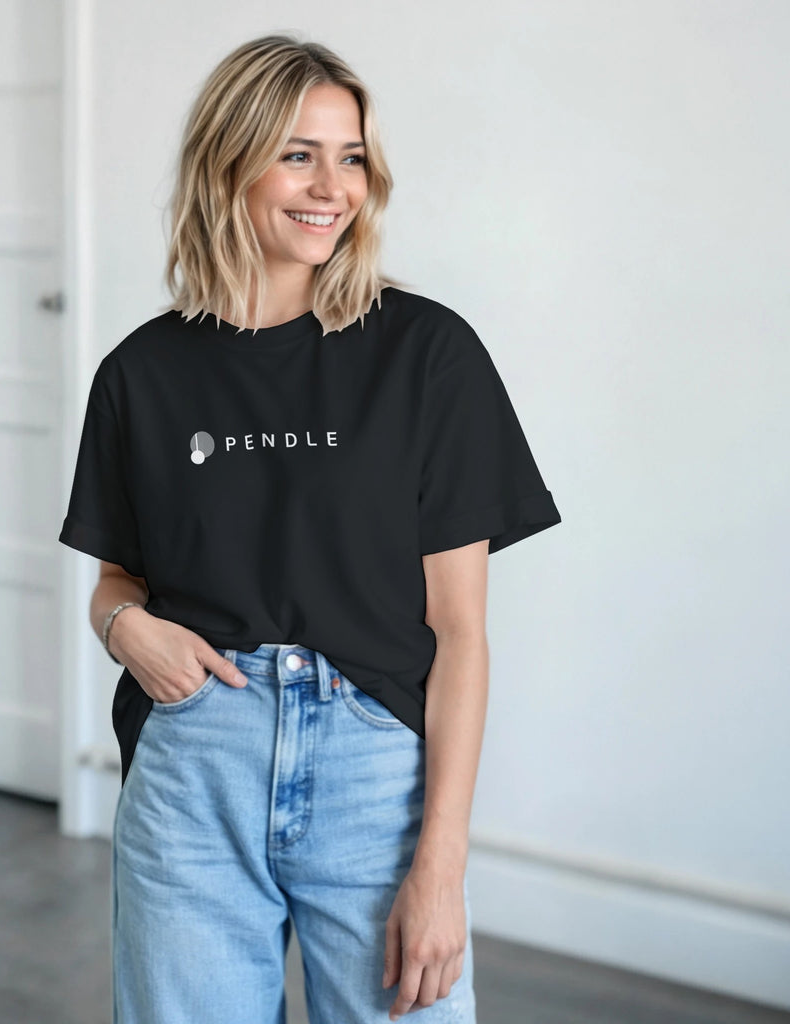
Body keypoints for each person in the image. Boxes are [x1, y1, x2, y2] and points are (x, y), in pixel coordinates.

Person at [59, 33, 561, 1024]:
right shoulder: (139, 374)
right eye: (298, 153)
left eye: (352, 156)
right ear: (227, 160)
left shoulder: (428, 356)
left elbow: (457, 631)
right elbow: (117, 580)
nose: (332, 185)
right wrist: (122, 627)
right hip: (197, 758)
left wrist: (441, 867)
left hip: (374, 767)